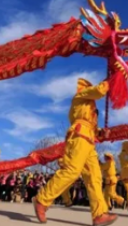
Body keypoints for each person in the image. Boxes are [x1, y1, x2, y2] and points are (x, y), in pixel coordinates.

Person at [32, 77, 117, 226]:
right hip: (79, 136)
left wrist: (101, 133)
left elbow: (94, 130)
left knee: (95, 177)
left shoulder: (90, 109)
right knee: (72, 170)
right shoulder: (81, 95)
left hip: (89, 141)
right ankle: (42, 200)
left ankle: (99, 214)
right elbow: (99, 91)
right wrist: (112, 79)